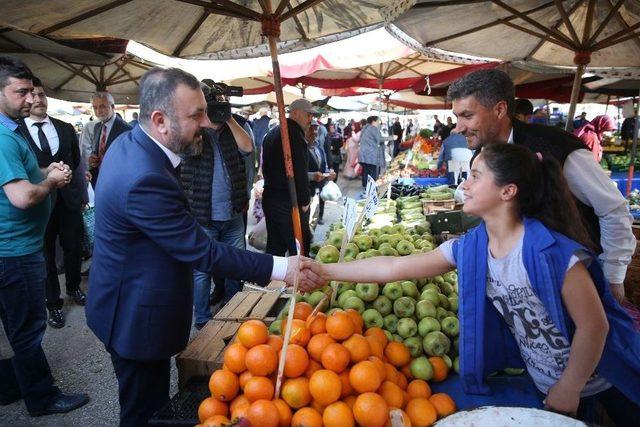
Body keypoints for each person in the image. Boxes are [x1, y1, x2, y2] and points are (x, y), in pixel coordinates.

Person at [305, 144, 640, 424]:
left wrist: (570, 386)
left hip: (598, 382)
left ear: (508, 191)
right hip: (545, 382)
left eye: (475, 176)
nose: (464, 184)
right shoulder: (471, 248)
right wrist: (325, 270)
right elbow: (394, 266)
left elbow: (594, 327)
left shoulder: (553, 255)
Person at [85, 68, 323, 427]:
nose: (209, 124)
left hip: (127, 300)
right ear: (160, 120)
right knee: (143, 412)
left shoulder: (133, 144)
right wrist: (282, 268)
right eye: (196, 115)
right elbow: (203, 251)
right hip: (135, 318)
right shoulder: (144, 176)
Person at [447, 68, 635, 303]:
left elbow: (612, 209)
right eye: (456, 117)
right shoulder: (483, 154)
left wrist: (612, 278)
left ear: (500, 109)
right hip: (529, 288)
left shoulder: (557, 148)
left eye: (467, 115)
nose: (458, 127)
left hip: (578, 284)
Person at [0, 57, 89, 417]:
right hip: (15, 250)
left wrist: (45, 170)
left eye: (31, 92)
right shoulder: (5, 138)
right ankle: (42, 397)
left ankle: (10, 387)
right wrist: (51, 181)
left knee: (12, 321)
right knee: (27, 328)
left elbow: (22, 174)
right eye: (20, 92)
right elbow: (22, 197)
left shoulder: (10, 133)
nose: (29, 99)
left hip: (11, 247)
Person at [180, 89, 254, 328]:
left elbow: (248, 148)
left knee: (235, 265)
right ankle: (202, 319)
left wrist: (228, 117)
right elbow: (187, 151)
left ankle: (233, 311)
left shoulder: (233, 128)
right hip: (203, 214)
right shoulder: (193, 129)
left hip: (233, 213)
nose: (214, 112)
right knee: (202, 271)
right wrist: (201, 120)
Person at [17, 78, 87, 329]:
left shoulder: (66, 127)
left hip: (68, 200)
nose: (38, 99)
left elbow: (76, 162)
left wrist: (81, 195)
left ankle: (73, 287)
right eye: (33, 95)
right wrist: (47, 172)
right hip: (40, 201)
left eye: (42, 94)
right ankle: (53, 303)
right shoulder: (16, 132)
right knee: (46, 253)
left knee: (73, 247)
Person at [262, 98, 315, 257]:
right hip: (287, 201)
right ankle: (298, 281)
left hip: (271, 197)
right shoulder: (292, 134)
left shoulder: (274, 132)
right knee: (299, 250)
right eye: (308, 115)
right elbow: (298, 171)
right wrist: (305, 200)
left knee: (275, 248)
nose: (310, 120)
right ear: (296, 113)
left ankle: (271, 280)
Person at [86, 91, 132, 187]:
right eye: (95, 107)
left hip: (118, 184)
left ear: (113, 106)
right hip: (98, 181)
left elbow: (130, 162)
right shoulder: (97, 127)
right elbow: (96, 151)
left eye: (102, 106)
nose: (98, 111)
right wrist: (93, 158)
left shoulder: (127, 130)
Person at [307, 121, 336, 225]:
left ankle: (319, 216)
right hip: (307, 186)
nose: (314, 132)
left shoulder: (318, 147)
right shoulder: (301, 149)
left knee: (320, 199)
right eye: (311, 129)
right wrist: (312, 176)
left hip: (319, 182)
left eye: (316, 130)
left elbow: (324, 163)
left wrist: (329, 173)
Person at [358, 115, 385, 187]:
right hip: (371, 156)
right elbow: (379, 139)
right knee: (373, 173)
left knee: (366, 172)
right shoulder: (373, 128)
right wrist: (392, 137)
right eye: (378, 121)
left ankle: (365, 188)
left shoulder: (366, 128)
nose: (380, 123)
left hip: (365, 155)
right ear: (373, 122)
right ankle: (371, 188)